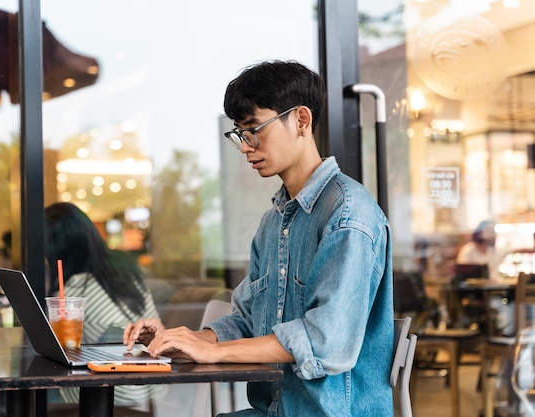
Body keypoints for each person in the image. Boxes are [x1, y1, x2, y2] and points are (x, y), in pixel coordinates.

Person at [124, 60, 394, 416]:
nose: (246, 146)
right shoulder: (274, 223)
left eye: (255, 129)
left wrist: (214, 352)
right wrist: (183, 341)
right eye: (239, 133)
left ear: (301, 120)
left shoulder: (348, 214)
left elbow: (327, 341)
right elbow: (247, 322)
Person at [44, 202, 161, 406]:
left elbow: (51, 342)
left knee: (19, 397)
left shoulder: (76, 288)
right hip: (151, 388)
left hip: (111, 392)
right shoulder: (125, 271)